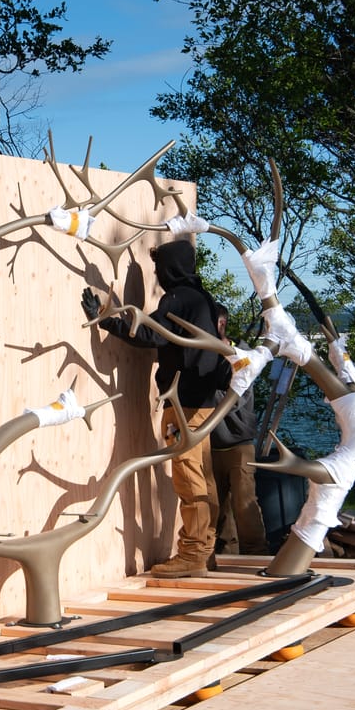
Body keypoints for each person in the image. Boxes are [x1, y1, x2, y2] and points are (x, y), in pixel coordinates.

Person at [86, 238, 229, 576]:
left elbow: (152, 335)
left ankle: (192, 555)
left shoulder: (177, 298)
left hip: (183, 403)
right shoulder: (203, 299)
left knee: (189, 475)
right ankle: (205, 549)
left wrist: (107, 320)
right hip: (204, 401)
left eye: (159, 268)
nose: (158, 275)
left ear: (171, 268)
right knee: (203, 476)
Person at [207, 302, 266, 556]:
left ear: (221, 324)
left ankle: (258, 556)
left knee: (245, 506)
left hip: (238, 444)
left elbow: (234, 398)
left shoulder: (242, 356)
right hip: (211, 444)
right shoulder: (205, 356)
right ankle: (225, 556)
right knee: (217, 508)